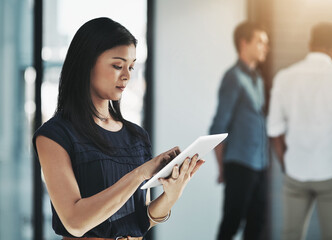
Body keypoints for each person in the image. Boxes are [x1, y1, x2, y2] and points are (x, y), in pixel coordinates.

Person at [32, 17, 204, 240]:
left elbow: (142, 220)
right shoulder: (54, 136)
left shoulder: (137, 136)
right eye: (117, 65)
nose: (127, 75)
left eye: (131, 67)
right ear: (87, 63)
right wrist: (140, 173)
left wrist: (172, 194)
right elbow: (75, 222)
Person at [267, 22, 332, 240]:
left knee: (290, 235)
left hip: (296, 172)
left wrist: (286, 165)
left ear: (310, 45)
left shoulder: (284, 77)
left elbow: (274, 130)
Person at [209, 21, 269, 240]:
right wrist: (222, 168)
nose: (266, 47)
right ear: (244, 43)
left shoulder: (258, 79)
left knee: (256, 226)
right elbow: (218, 127)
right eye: (261, 42)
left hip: (260, 165)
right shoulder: (233, 77)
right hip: (239, 165)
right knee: (231, 225)